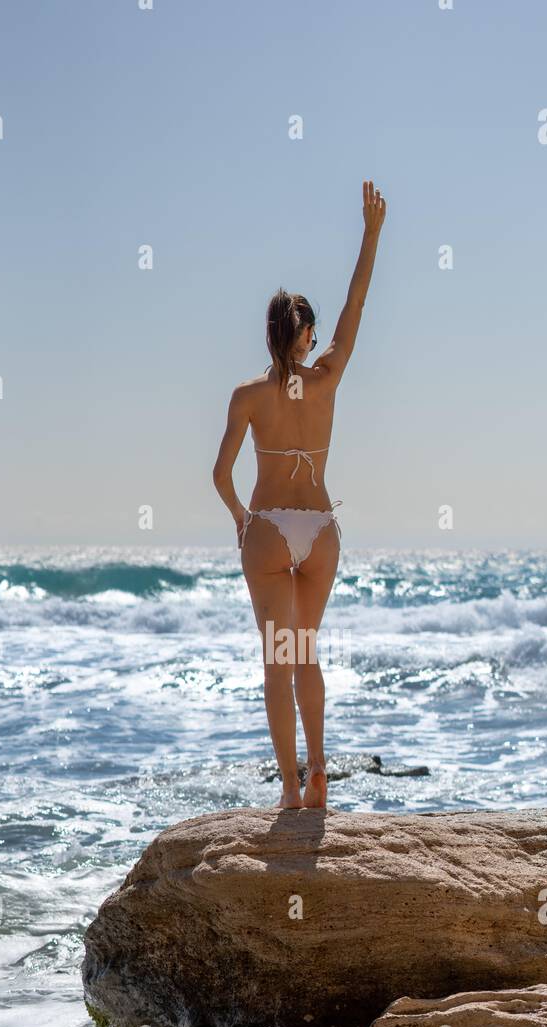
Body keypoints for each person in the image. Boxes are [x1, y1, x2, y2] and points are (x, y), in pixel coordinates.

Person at [213, 181, 386, 808]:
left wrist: (240, 518)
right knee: (307, 654)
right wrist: (370, 236)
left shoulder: (248, 396)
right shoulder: (328, 379)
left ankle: (288, 788)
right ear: (308, 333)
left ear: (268, 335)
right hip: (320, 529)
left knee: (277, 662)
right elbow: (357, 304)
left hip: (267, 528)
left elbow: (220, 475)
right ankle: (318, 774)